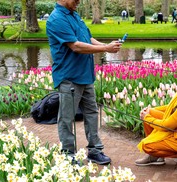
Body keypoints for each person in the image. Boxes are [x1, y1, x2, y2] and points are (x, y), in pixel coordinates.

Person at [46, 0, 122, 165]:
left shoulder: (74, 15)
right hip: (69, 76)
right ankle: (67, 155)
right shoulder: (56, 18)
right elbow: (75, 46)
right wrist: (105, 49)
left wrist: (107, 46)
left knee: (92, 113)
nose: (79, 2)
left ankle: (95, 151)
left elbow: (88, 38)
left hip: (86, 74)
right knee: (66, 117)